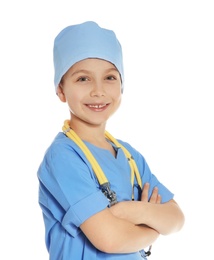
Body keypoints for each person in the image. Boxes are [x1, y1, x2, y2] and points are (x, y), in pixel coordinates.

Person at [37, 21, 185, 260]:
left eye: (109, 77)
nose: (98, 91)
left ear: (122, 85)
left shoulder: (129, 156)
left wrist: (131, 211)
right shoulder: (63, 157)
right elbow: (110, 239)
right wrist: (153, 226)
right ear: (61, 90)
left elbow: (176, 220)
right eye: (83, 79)